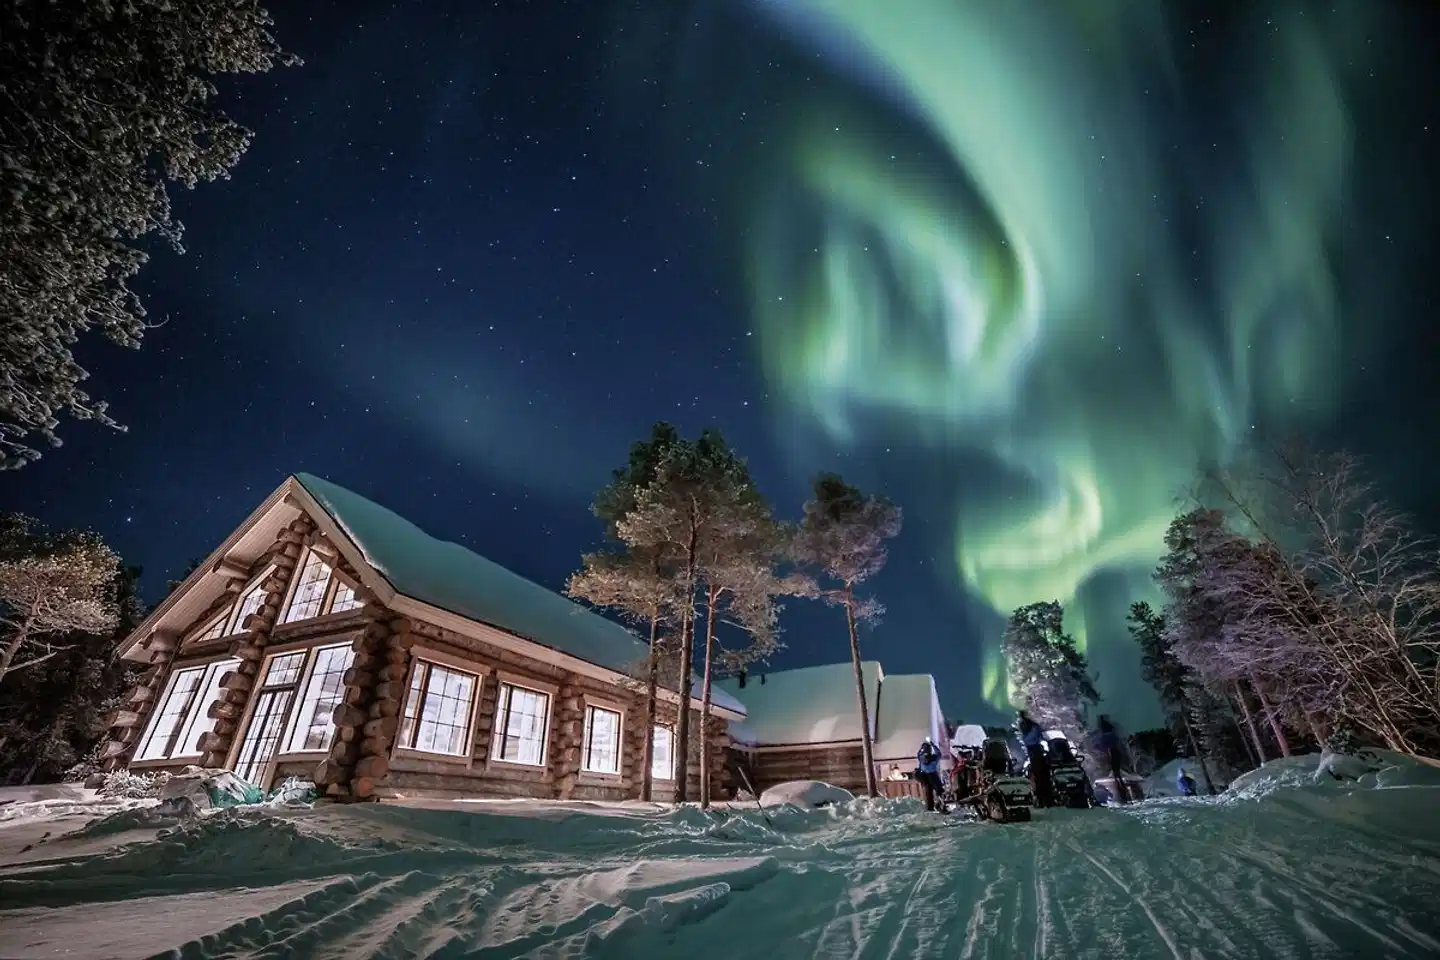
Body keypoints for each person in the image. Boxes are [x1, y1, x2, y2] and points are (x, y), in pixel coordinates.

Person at [1018, 711, 1052, 808]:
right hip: (1035, 749)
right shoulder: (1031, 725)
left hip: (1033, 749)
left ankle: (1042, 798)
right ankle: (1044, 799)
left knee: (1039, 774)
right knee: (1041, 774)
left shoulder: (1025, 725)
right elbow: (1038, 736)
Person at [1095, 715, 1130, 803]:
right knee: (1117, 772)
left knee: (1116, 773)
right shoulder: (1112, 735)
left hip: (1112, 753)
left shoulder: (1105, 737)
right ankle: (1121, 786)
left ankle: (1121, 788)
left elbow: (1104, 746)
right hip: (1115, 753)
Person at [916, 736, 944, 811]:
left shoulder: (921, 758)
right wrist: (932, 744)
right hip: (933, 775)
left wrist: (921, 748)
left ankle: (930, 808)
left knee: (928, 793)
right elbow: (939, 753)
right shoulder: (934, 757)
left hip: (925, 776)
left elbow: (918, 753)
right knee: (939, 790)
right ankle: (942, 804)